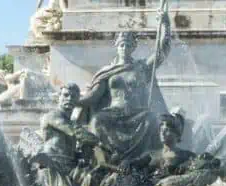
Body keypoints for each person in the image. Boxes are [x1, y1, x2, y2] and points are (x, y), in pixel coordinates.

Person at [74, 1, 173, 166]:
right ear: (116, 46)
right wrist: (74, 101)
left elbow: (163, 50)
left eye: (128, 44)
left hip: (137, 113)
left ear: (133, 46)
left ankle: (143, 161)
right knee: (97, 121)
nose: (124, 47)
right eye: (121, 44)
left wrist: (165, 23)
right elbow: (94, 96)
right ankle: (106, 161)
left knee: (151, 120)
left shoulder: (141, 67)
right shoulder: (108, 72)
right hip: (113, 113)